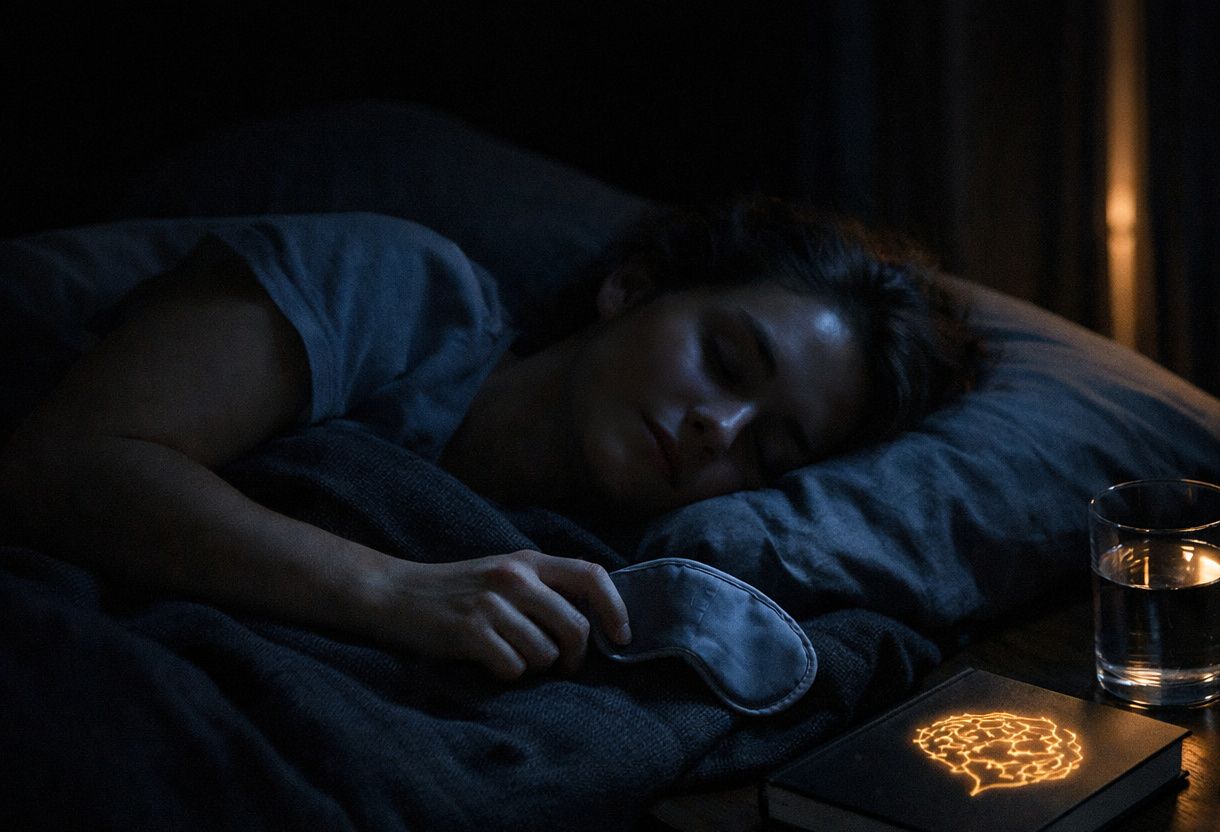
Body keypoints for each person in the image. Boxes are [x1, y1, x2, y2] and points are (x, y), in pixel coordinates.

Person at [0, 197, 976, 683]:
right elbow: (65, 459)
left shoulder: (596, 575)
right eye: (724, 359)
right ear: (631, 289)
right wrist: (389, 590)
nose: (717, 429)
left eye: (768, 450)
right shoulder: (403, 292)